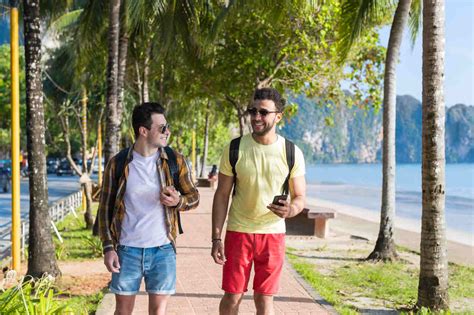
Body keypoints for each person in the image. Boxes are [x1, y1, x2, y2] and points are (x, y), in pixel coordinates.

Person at [97, 102, 199, 315]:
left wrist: (177, 201)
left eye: (167, 126)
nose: (167, 132)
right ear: (143, 131)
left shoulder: (174, 160)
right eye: (162, 128)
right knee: (123, 312)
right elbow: (105, 210)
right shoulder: (118, 164)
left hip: (163, 250)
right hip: (127, 251)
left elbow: (194, 197)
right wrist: (108, 248)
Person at [211, 88, 306, 315]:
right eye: (253, 111)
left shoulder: (291, 152)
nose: (256, 117)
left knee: (264, 301)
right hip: (238, 232)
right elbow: (222, 195)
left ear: (278, 116)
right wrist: (216, 237)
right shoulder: (234, 148)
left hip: (273, 235)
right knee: (232, 297)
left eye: (263, 112)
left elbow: (300, 197)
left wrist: (290, 209)